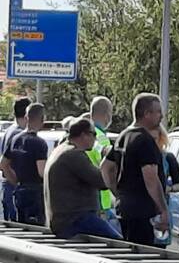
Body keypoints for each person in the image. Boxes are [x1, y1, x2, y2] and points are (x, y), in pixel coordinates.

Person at [102, 93, 168, 246]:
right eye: (158, 111)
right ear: (146, 114)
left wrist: (117, 192)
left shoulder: (124, 135)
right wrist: (163, 210)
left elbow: (105, 167)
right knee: (143, 257)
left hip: (124, 208)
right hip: (142, 212)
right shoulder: (145, 141)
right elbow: (151, 178)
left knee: (130, 252)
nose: (162, 116)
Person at [44, 118, 121, 240]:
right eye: (93, 134)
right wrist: (109, 163)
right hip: (76, 219)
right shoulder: (74, 155)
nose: (95, 139)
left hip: (64, 219)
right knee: (118, 243)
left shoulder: (60, 150)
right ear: (84, 135)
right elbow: (102, 181)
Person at [0, 103, 49, 225]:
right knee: (36, 230)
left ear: (27, 117)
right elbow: (42, 172)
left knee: (21, 226)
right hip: (35, 192)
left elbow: (3, 164)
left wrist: (15, 181)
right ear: (42, 119)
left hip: (19, 191)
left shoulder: (15, 139)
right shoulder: (39, 143)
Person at [147, 124, 179, 247]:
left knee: (160, 244)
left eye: (156, 139)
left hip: (161, 206)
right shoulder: (140, 156)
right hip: (142, 206)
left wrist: (169, 188)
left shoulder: (168, 158)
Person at [87, 96, 118, 231]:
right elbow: (109, 166)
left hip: (88, 197)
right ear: (107, 114)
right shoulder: (101, 137)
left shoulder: (86, 133)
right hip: (100, 200)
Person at [0, 97, 32, 221]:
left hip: (7, 186)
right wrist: (16, 183)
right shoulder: (19, 135)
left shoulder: (10, 130)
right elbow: (5, 163)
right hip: (13, 186)